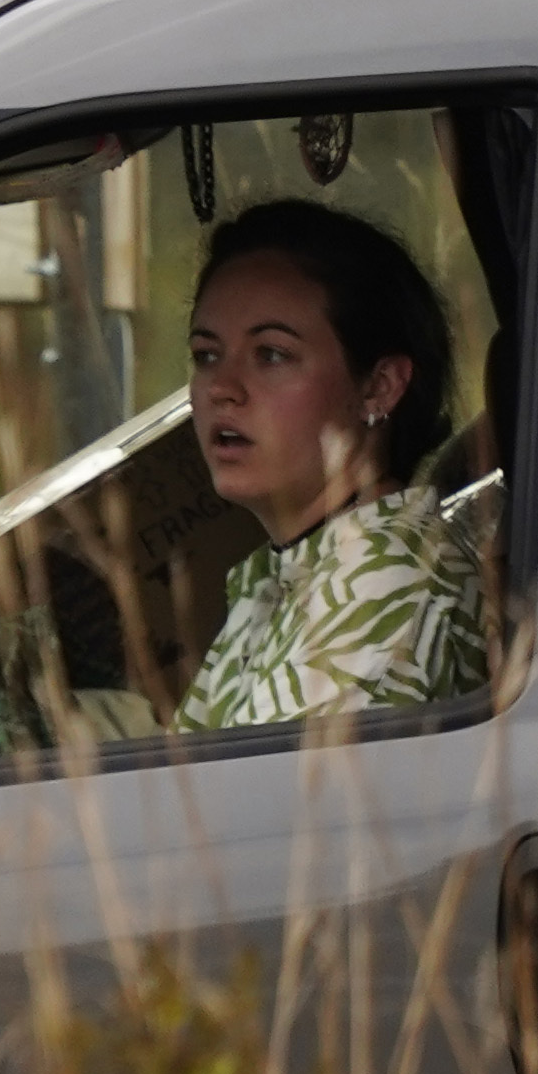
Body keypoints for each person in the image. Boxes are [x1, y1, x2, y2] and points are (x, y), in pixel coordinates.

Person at [171, 200, 490, 731]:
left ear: (379, 386)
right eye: (207, 355)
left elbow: (263, 809)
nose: (222, 389)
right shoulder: (288, 572)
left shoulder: (385, 577)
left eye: (271, 354)